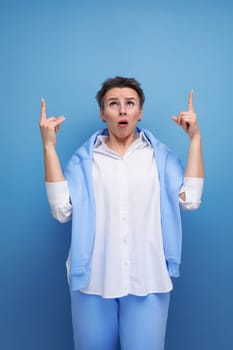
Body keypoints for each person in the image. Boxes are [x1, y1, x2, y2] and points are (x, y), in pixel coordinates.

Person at [39, 76, 204, 350]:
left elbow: (191, 200)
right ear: (103, 114)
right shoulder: (84, 161)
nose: (123, 110)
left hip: (149, 280)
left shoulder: (158, 157)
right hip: (92, 281)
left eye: (130, 103)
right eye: (113, 104)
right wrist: (48, 147)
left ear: (140, 112)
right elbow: (61, 210)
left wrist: (195, 139)